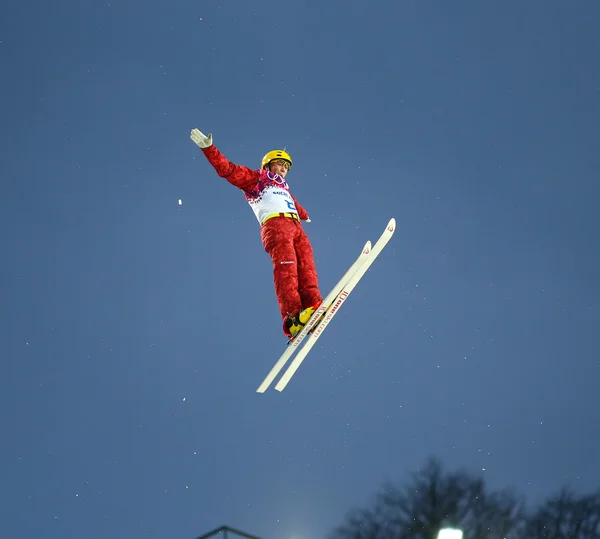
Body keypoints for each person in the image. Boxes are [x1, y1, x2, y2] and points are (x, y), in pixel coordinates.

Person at [190, 128, 323, 339]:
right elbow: (228, 170)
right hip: (276, 226)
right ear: (268, 164)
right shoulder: (257, 179)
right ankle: (293, 318)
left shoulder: (283, 186)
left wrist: (304, 214)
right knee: (287, 270)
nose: (283, 169)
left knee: (307, 267)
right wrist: (209, 149)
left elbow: (293, 203)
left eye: (287, 166)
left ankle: (314, 306)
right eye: (280, 164)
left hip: (296, 226)